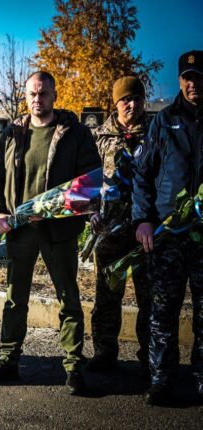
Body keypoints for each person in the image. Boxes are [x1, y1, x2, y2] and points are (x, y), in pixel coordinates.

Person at [0, 71, 100, 395]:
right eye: (32, 94)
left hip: (58, 231)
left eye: (44, 93)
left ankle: (74, 366)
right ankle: (8, 361)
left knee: (68, 299)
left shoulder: (74, 133)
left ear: (55, 95)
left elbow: (89, 182)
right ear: (26, 95)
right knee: (14, 300)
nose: (37, 99)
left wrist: (76, 212)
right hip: (21, 231)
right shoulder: (12, 132)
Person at [133, 50, 203, 405]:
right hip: (167, 233)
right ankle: (162, 378)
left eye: (200, 77)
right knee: (163, 309)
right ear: (179, 81)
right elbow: (143, 175)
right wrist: (143, 219)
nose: (194, 84)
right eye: (188, 78)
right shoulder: (163, 122)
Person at [87, 76, 152, 377]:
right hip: (109, 230)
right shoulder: (100, 137)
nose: (132, 104)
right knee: (107, 295)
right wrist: (92, 213)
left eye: (137, 98)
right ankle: (104, 352)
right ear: (115, 103)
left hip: (146, 231)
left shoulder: (154, 133)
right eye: (126, 99)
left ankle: (149, 354)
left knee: (148, 296)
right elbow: (88, 180)